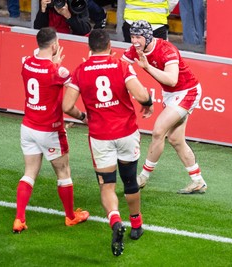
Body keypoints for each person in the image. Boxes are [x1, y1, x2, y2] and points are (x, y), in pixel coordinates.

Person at [62, 29, 153, 256]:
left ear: (89, 48)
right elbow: (141, 95)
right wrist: (148, 103)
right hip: (126, 132)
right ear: (110, 45)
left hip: (100, 136)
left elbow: (66, 106)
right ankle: (136, 225)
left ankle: (115, 221)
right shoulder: (121, 66)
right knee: (130, 182)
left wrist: (83, 117)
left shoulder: (80, 71)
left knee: (107, 185)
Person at [12, 27, 89, 233]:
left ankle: (19, 218)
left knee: (29, 172)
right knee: (63, 172)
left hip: (28, 127)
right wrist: (82, 117)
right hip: (50, 130)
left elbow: (41, 69)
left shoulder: (26, 62)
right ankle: (71, 216)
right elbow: (74, 90)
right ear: (54, 45)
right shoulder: (58, 72)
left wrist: (54, 64)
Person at [122, 20, 208, 194]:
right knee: (176, 139)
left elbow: (172, 80)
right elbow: (120, 67)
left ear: (147, 36)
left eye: (138, 36)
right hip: (170, 94)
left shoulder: (167, 49)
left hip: (187, 91)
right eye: (132, 36)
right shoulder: (135, 50)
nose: (134, 41)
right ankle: (198, 181)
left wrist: (146, 67)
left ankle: (143, 178)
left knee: (158, 131)